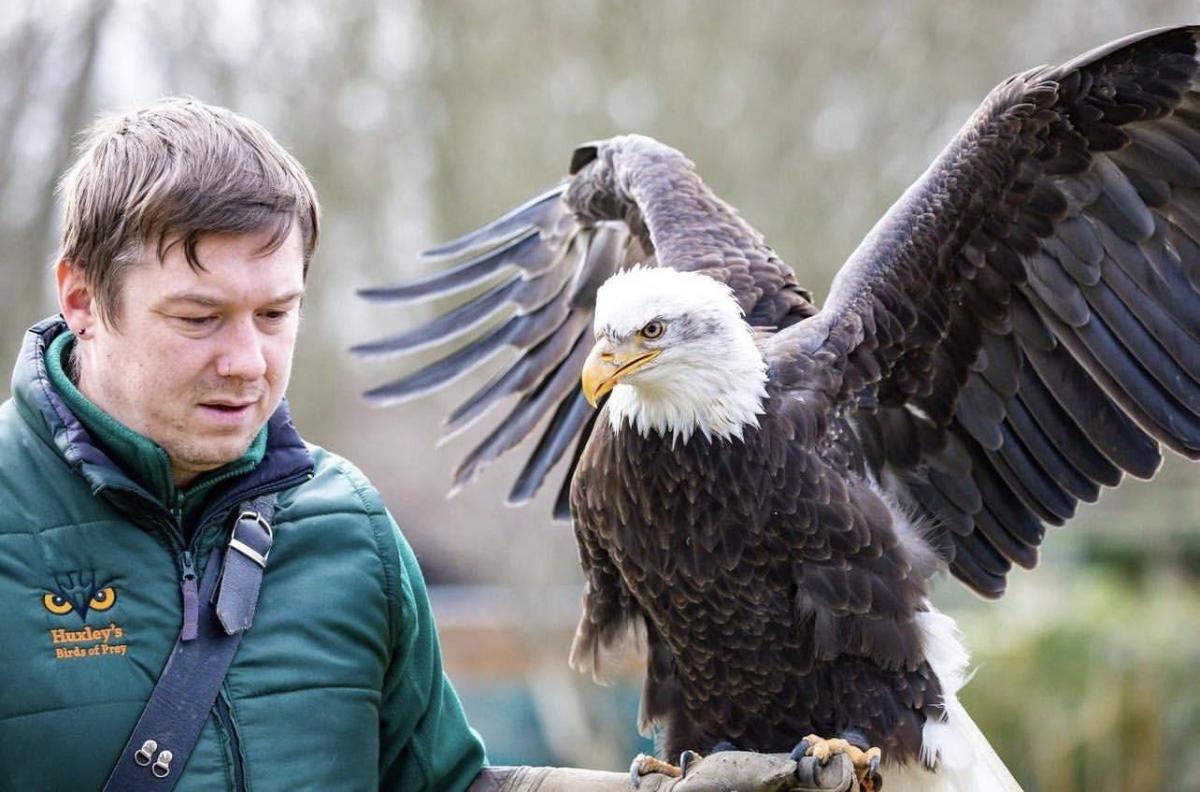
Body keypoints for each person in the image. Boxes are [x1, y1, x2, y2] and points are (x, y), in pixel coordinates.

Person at [0, 98, 853, 791]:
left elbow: (446, 786)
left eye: (276, 314)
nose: (247, 362)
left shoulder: (349, 531)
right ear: (81, 298)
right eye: (198, 318)